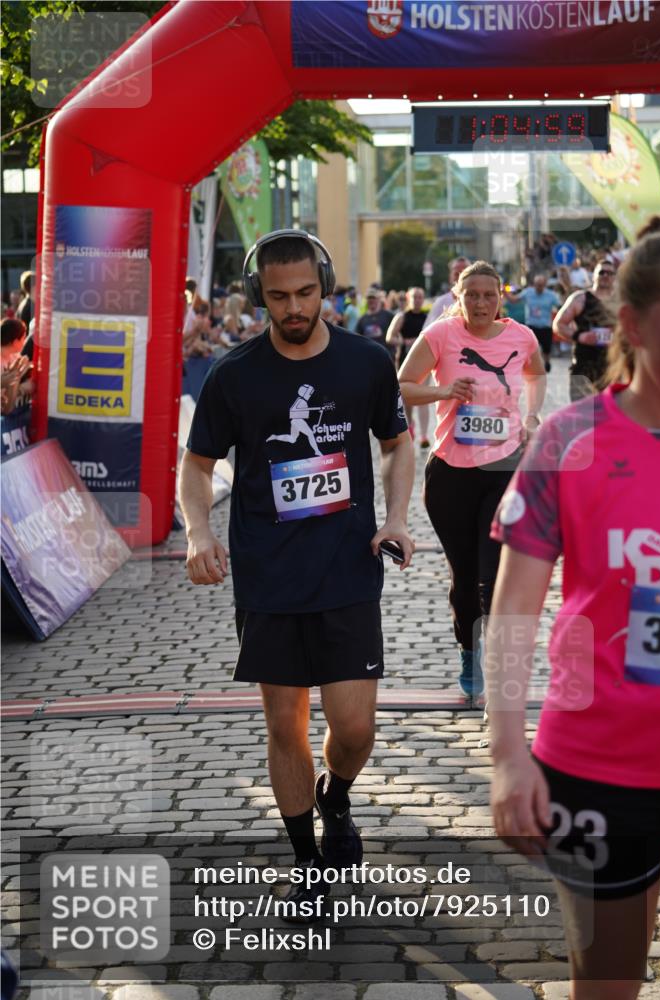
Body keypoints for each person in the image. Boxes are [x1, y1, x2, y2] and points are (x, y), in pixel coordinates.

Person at [179, 229, 415, 919]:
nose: (293, 309)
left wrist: (396, 516)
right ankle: (305, 863)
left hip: (347, 565)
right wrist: (197, 531)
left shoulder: (367, 362)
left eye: (305, 293)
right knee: (284, 725)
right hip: (267, 574)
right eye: (278, 297)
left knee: (355, 727)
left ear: (324, 287)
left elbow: (398, 447)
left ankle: (335, 794)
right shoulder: (234, 373)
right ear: (259, 294)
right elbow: (195, 470)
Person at [488, 232, 660, 998]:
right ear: (630, 325)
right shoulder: (571, 441)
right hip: (599, 763)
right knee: (606, 984)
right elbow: (512, 615)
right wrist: (505, 755)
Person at [398, 261, 546, 699]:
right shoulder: (441, 335)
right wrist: (443, 392)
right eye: (472, 294)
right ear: (457, 296)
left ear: (500, 297)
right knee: (464, 578)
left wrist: (532, 413)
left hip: (503, 468)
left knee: (492, 573)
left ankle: (497, 663)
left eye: (489, 294)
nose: (480, 302)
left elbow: (537, 374)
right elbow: (402, 384)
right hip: (449, 474)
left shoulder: (522, 336)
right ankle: (469, 649)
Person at [553, 260, 616, 401]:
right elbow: (559, 324)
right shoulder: (580, 299)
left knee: (609, 419)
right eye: (602, 272)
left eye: (610, 273)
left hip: (613, 369)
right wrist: (579, 336)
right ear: (593, 275)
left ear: (614, 277)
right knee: (583, 419)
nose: (606, 275)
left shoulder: (622, 301)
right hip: (583, 367)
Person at [386, 287, 430, 445]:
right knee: (408, 398)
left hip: (425, 362)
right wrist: (404, 342)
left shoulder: (428, 318)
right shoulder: (402, 316)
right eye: (415, 297)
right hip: (405, 361)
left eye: (420, 297)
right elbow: (389, 337)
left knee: (424, 398)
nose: (417, 300)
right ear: (408, 298)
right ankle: (410, 426)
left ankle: (424, 436)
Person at [506, 274, 560, 372]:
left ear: (544, 285)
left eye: (541, 285)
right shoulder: (528, 293)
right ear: (534, 284)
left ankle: (547, 362)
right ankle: (529, 364)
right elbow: (514, 300)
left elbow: (559, 306)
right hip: (532, 326)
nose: (539, 287)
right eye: (537, 285)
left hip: (545, 326)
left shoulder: (551, 295)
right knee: (528, 347)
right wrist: (504, 292)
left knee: (546, 349)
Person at [424, 256, 471, 327]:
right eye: (456, 274)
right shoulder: (440, 302)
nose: (461, 278)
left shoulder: (480, 302)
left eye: (465, 274)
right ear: (450, 277)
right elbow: (427, 331)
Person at [355, 288, 394, 352]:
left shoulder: (388, 315)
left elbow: (397, 335)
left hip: (386, 354)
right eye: (369, 298)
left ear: (378, 299)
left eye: (373, 298)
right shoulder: (362, 319)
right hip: (369, 354)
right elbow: (358, 339)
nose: (371, 300)